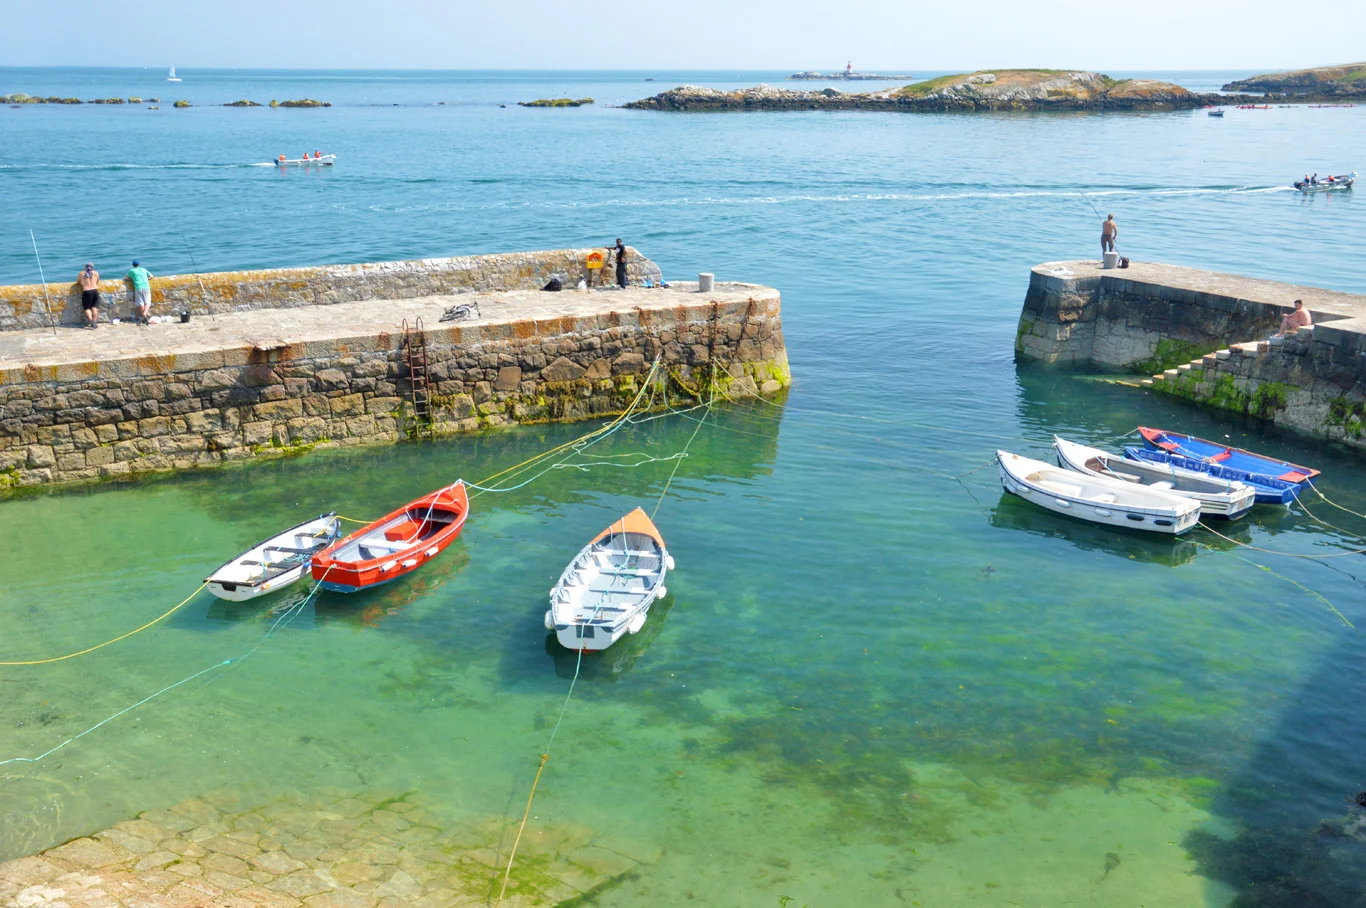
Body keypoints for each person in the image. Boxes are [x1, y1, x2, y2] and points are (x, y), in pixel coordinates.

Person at [125, 259, 153, 325]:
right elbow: (151, 276)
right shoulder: (144, 269)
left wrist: (132, 279)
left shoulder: (132, 271)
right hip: (146, 287)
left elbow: (126, 278)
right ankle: (145, 314)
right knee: (148, 302)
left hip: (138, 287)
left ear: (132, 265)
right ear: (139, 265)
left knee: (141, 303)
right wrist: (146, 279)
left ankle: (143, 315)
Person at [77, 262, 101, 329]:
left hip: (87, 292)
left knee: (87, 308)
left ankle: (91, 321)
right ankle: (95, 321)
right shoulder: (96, 273)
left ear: (85, 267)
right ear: (92, 267)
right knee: (94, 307)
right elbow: (97, 281)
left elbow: (78, 281)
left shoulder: (81, 273)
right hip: (95, 291)